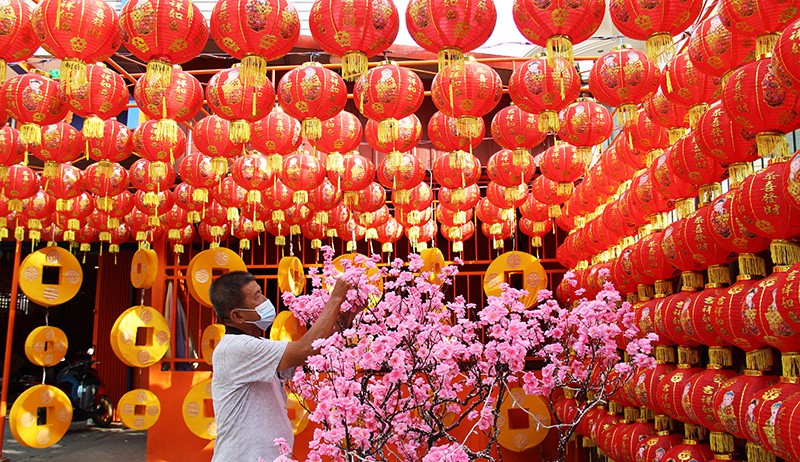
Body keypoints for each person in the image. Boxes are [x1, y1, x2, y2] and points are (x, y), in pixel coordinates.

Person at [209, 271, 357, 461]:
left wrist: (351, 312)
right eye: (257, 297)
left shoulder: (258, 345)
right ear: (237, 316)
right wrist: (336, 297)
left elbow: (317, 347)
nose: (265, 300)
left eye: (261, 292)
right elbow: (306, 350)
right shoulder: (235, 348)